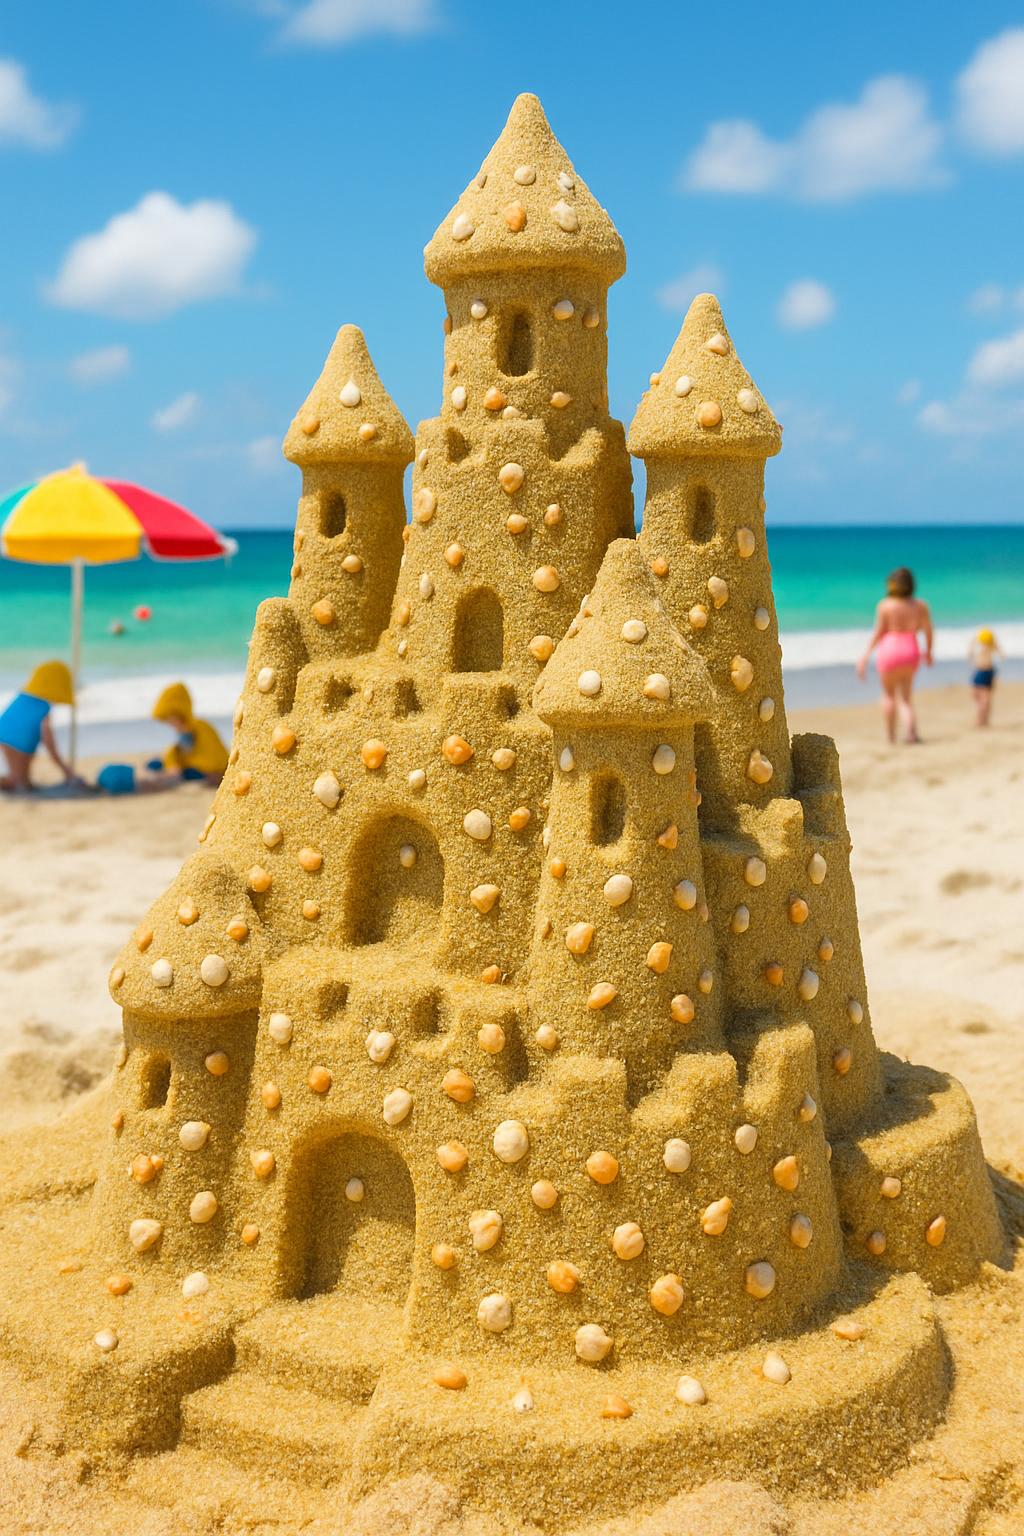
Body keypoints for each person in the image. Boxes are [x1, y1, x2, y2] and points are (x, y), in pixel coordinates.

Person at [856, 567, 933, 744]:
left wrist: (865, 656)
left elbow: (878, 632)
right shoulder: (920, 605)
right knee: (906, 699)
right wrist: (928, 652)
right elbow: (928, 631)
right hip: (910, 649)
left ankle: (891, 737)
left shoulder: (885, 605)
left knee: (889, 696)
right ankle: (911, 733)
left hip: (889, 650)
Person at [0, 661, 81, 791]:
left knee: (20, 779)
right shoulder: (42, 707)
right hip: (19, 739)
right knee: (21, 783)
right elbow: (48, 739)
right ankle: (13, 782)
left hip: (6, 732)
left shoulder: (25, 698)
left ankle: (12, 781)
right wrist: (64, 768)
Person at [149, 682, 229, 785]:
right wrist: (173, 764)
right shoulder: (181, 730)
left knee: (188, 773)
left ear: (180, 712)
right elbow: (178, 751)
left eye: (170, 717)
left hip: (206, 770)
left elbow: (214, 758)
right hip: (189, 764)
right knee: (154, 764)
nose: (169, 723)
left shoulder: (200, 726)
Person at [968, 627, 1001, 728]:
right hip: (979, 671)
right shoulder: (979, 647)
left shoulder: (989, 648)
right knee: (977, 696)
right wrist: (975, 641)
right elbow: (969, 654)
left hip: (986, 671)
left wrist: (992, 641)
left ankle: (981, 720)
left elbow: (1001, 654)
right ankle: (983, 719)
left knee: (985, 698)